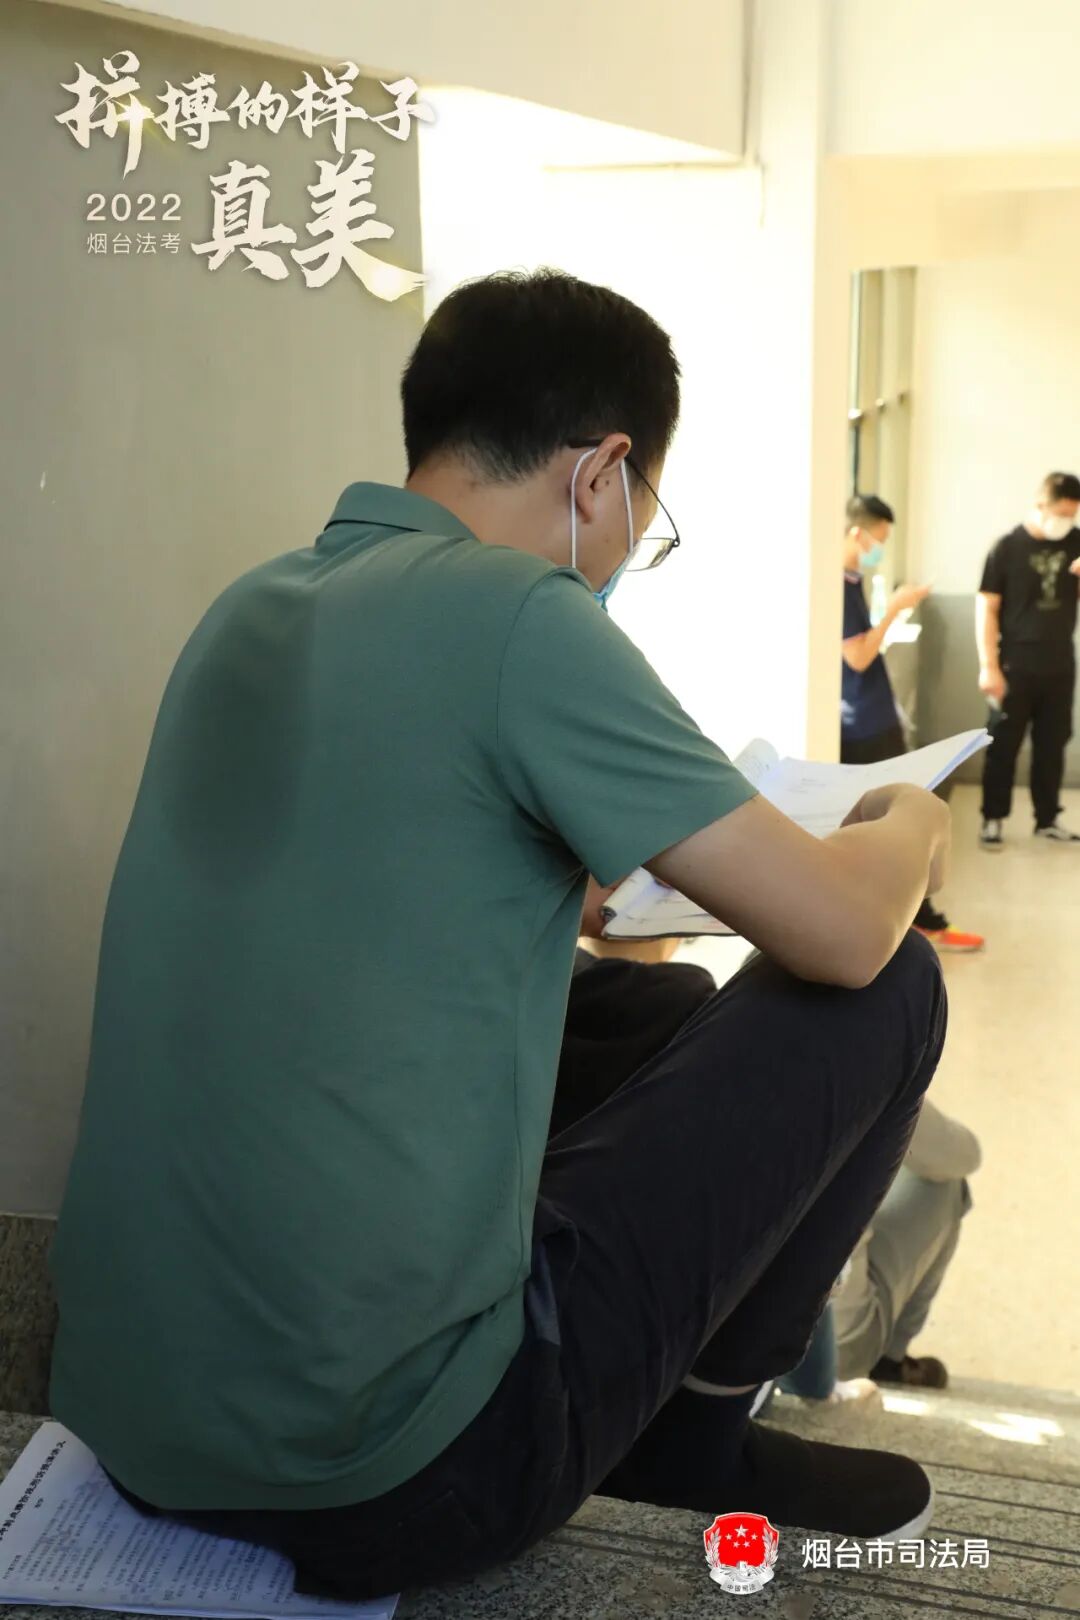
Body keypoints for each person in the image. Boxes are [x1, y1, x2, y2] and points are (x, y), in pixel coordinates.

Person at [50, 270, 952, 1603]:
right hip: (404, 1476)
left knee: (650, 1014)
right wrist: (911, 817)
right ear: (600, 475)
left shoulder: (256, 601)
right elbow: (843, 936)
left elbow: (384, 886)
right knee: (890, 986)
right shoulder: (524, 615)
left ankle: (662, 1384)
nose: (629, 552)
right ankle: (697, 1433)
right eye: (644, 520)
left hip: (133, 1416)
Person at [841, 495, 984, 952]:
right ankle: (917, 920)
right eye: (879, 540)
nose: (880, 550)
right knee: (903, 818)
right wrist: (895, 609)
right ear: (856, 533)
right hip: (860, 724)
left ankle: (912, 916)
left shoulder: (852, 579)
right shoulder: (836, 584)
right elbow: (858, 657)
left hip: (874, 716)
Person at [833, 1098, 980, 1390]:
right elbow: (965, 1154)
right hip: (831, 1339)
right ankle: (892, 1356)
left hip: (741, 1309)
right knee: (945, 1181)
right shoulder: (869, 1075)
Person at [977, 471, 1080, 849]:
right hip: (1015, 663)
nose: (1066, 521)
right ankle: (992, 817)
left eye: (1072, 514)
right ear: (1040, 505)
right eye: (1061, 513)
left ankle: (1047, 818)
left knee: (1053, 744)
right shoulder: (1006, 547)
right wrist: (988, 665)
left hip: (1060, 661)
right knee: (1003, 743)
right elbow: (987, 608)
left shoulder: (1076, 542)